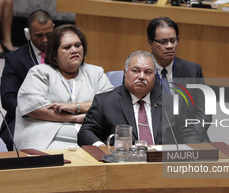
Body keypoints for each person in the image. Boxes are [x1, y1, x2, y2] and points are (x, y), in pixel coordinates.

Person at [77, 50, 209, 147]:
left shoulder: (170, 102)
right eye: (135, 71)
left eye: (148, 72)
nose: (141, 76)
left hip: (162, 166)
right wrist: (101, 148)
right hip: (122, 166)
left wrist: (189, 150)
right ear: (125, 73)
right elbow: (86, 132)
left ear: (154, 77)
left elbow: (188, 133)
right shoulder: (105, 102)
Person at [14, 24, 113, 150]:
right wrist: (75, 118)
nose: (74, 50)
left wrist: (76, 106)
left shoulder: (96, 73)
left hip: (89, 136)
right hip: (47, 138)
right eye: (67, 47)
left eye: (78, 45)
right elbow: (35, 109)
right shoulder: (39, 72)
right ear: (54, 54)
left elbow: (109, 104)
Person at [0, 10, 54, 150]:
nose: (45, 40)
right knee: (12, 142)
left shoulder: (65, 53)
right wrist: (34, 112)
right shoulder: (15, 59)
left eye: (49, 34)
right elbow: (8, 98)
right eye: (39, 35)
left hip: (60, 114)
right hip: (25, 116)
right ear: (28, 33)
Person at [147, 17, 212, 131]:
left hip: (190, 134)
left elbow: (205, 112)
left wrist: (192, 138)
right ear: (150, 43)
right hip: (154, 136)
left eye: (173, 40)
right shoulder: (139, 73)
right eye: (163, 42)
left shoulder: (192, 70)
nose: (170, 46)